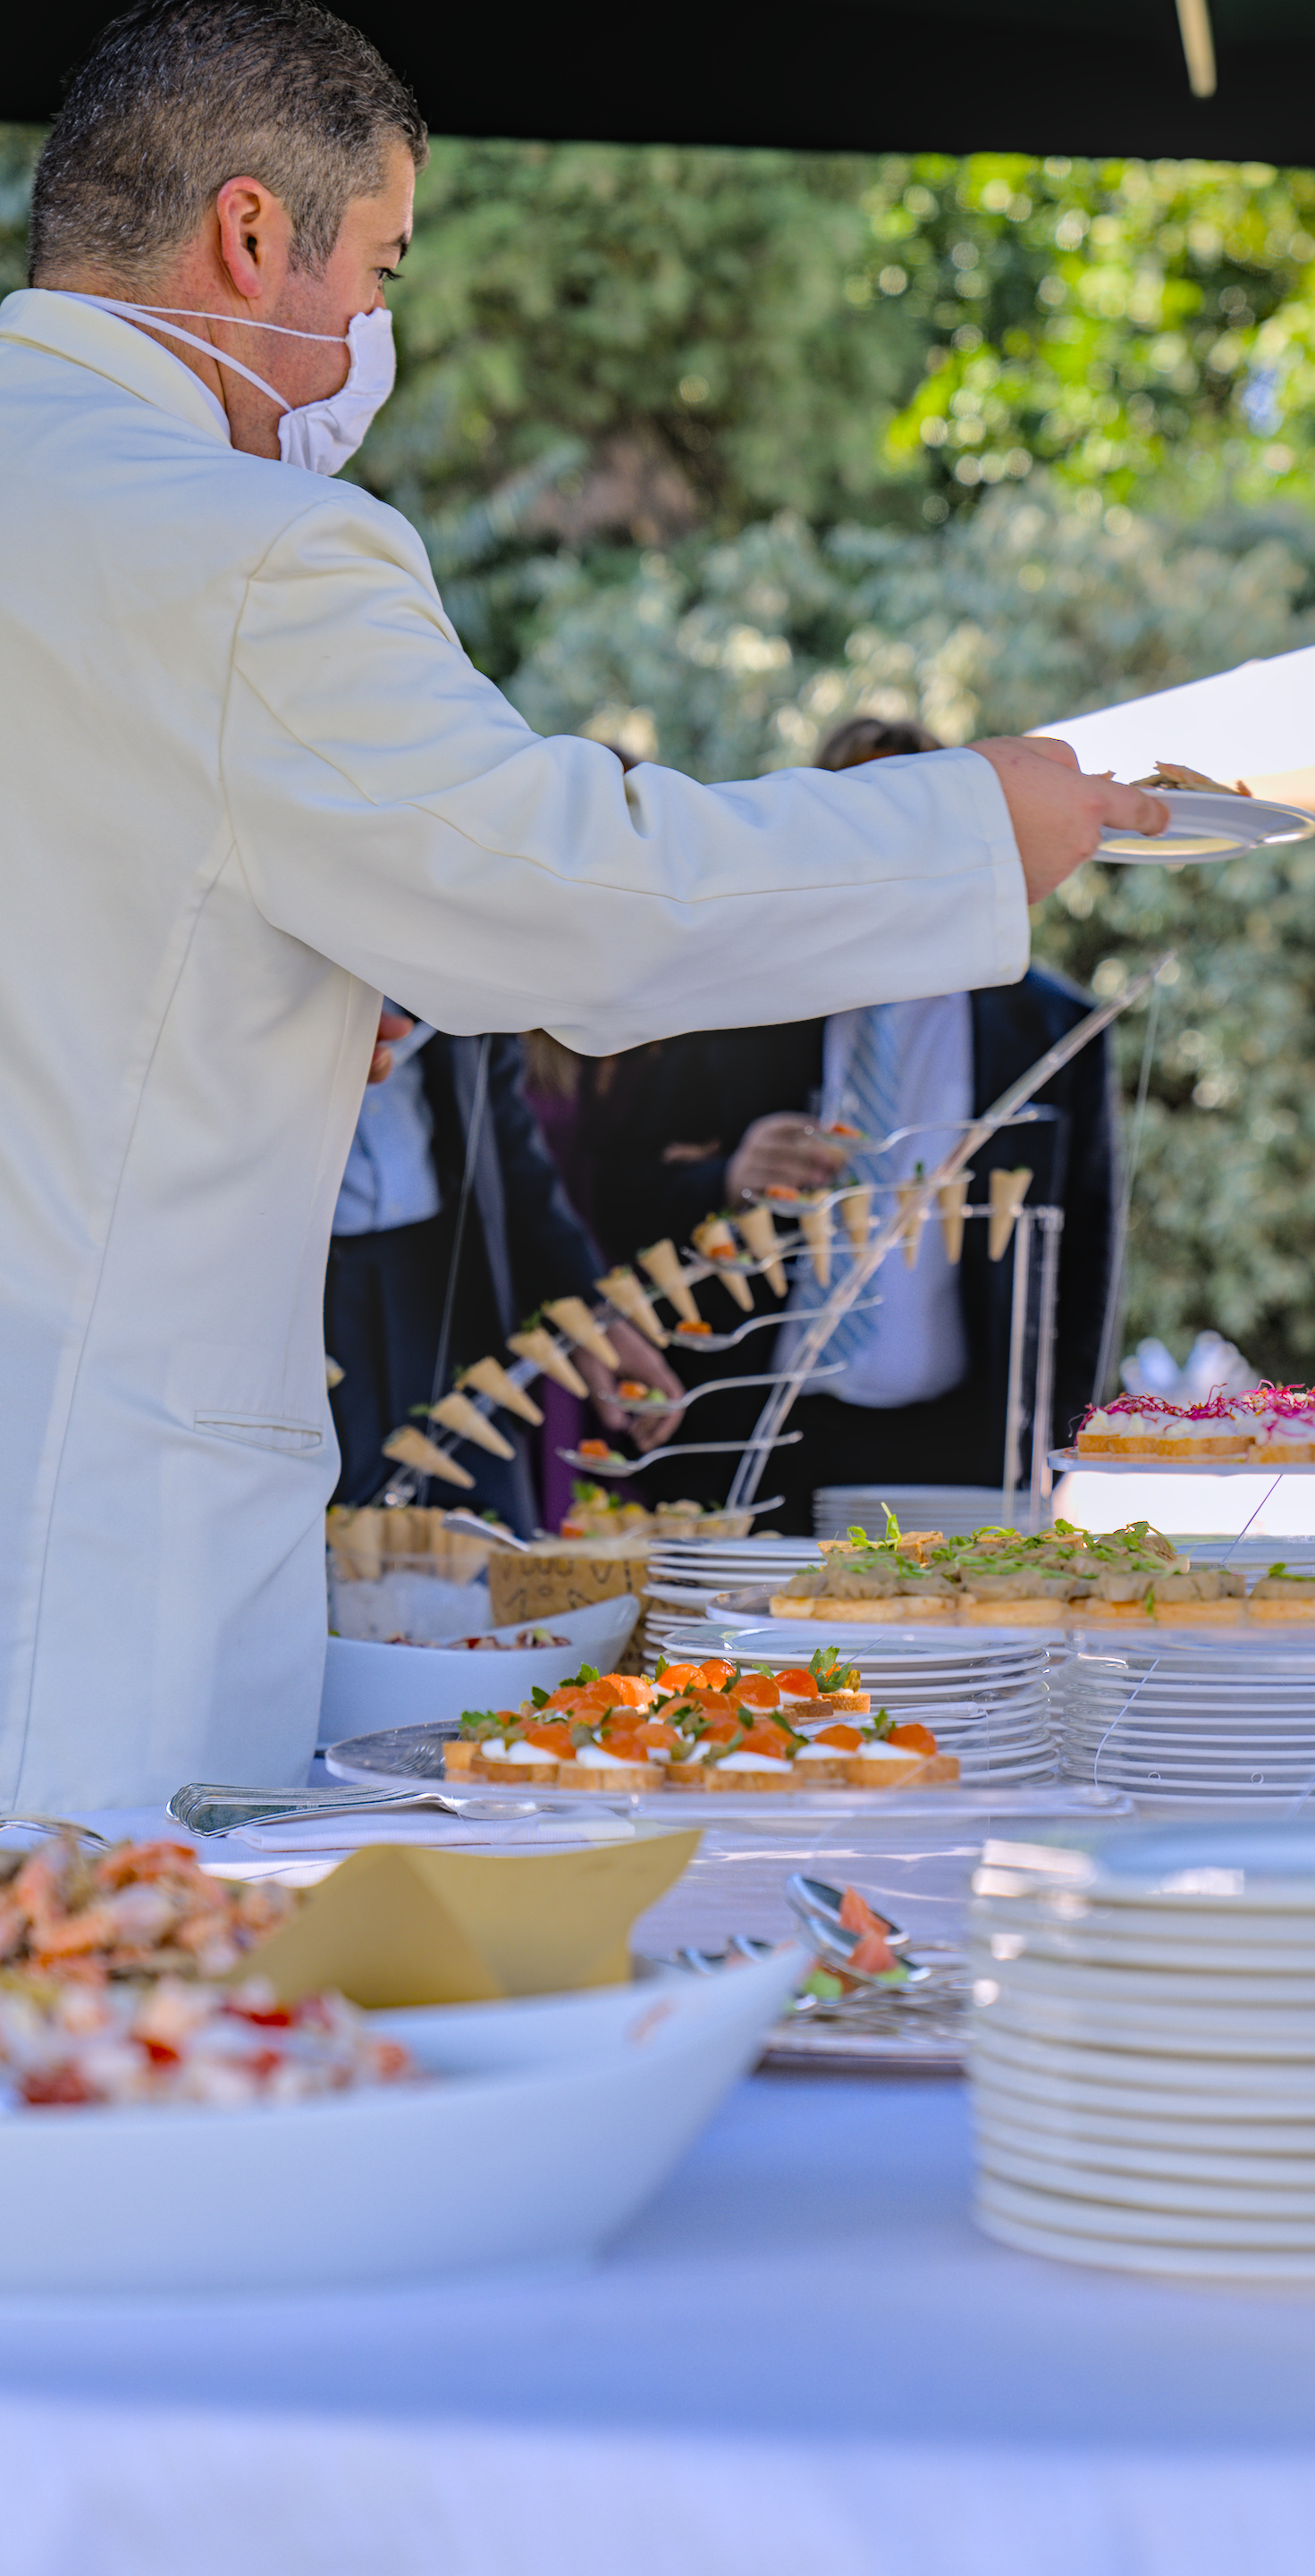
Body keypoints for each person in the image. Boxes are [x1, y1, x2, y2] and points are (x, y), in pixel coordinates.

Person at [0, 0, 1164, 1805]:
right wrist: (967, 826)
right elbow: (575, 900)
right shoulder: (251, 554)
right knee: (103, 1968)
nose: (373, 334)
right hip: (83, 1565)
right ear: (249, 233)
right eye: (379, 268)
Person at [544, 716, 1117, 1531]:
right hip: (751, 1437)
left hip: (964, 1445)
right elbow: (618, 1192)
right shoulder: (734, 999)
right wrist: (726, 1177)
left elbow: (1088, 1252)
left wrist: (1049, 1439)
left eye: (908, 821)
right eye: (857, 824)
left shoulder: (1054, 1028)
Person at [326, 1012, 682, 1527]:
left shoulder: (460, 969)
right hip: (299, 1292)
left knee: (484, 1533)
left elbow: (508, 1142)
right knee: (327, 1536)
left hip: (445, 1284)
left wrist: (593, 1313)